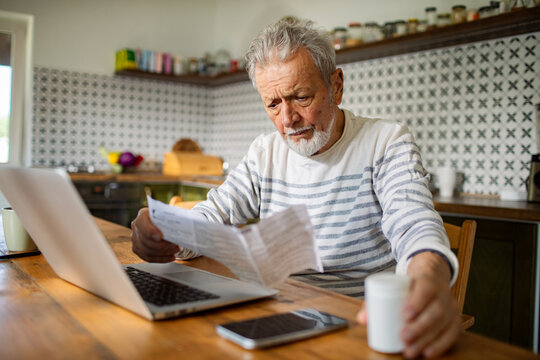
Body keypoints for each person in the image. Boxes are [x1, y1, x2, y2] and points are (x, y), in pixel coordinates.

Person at [131, 17, 461, 358]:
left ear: (336, 85)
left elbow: (414, 222)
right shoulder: (265, 152)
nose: (287, 119)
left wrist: (430, 274)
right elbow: (216, 213)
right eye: (273, 104)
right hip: (277, 314)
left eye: (301, 96)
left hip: (358, 326)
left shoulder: (385, 142)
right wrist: (167, 229)